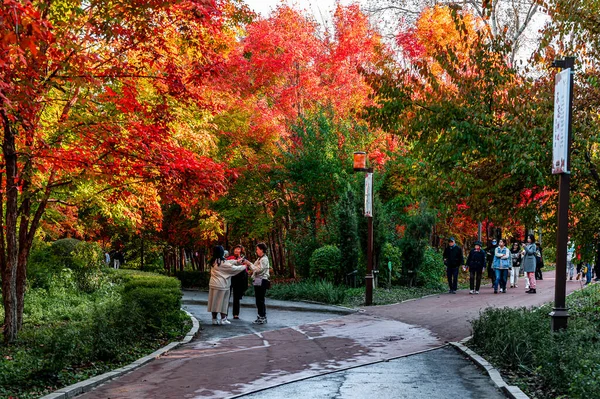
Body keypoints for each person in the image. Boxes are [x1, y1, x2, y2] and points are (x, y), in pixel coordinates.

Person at [207, 245, 247, 325]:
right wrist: (244, 266)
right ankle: (223, 318)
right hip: (222, 285)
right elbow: (233, 268)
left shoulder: (214, 261)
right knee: (223, 302)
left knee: (214, 302)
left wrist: (236, 261)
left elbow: (228, 262)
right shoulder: (223, 263)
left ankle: (214, 319)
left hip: (213, 284)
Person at [243, 243, 270, 324]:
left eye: (257, 249)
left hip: (262, 280)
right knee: (258, 299)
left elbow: (258, 270)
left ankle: (262, 316)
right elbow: (254, 267)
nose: (256, 251)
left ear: (262, 250)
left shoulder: (264, 259)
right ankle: (260, 315)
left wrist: (249, 264)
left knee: (260, 299)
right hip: (258, 280)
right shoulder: (259, 259)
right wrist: (249, 264)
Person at [227, 245, 248, 320]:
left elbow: (245, 268)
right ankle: (224, 313)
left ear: (241, 250)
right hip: (230, 278)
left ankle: (236, 313)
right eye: (235, 249)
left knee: (236, 297)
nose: (236, 250)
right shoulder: (230, 258)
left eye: (238, 249)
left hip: (239, 279)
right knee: (227, 296)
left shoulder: (243, 258)